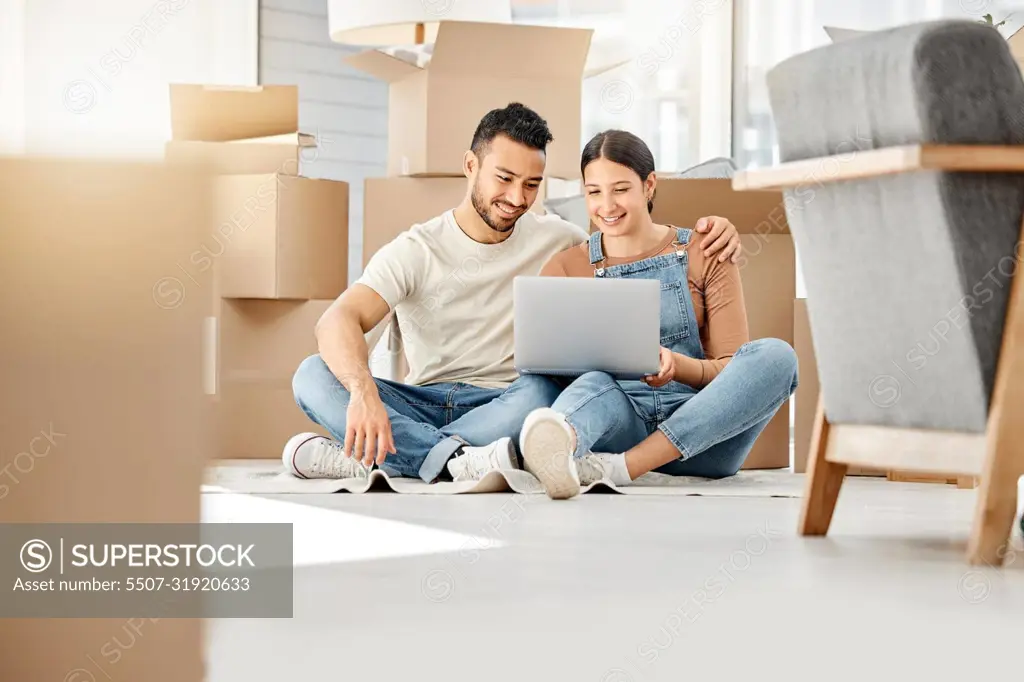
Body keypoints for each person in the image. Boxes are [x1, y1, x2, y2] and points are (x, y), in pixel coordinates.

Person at [282, 105, 743, 484]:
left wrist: (717, 230)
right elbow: (337, 321)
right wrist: (364, 394)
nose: (517, 198)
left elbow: (630, 231)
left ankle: (380, 457)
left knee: (544, 390)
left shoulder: (560, 240)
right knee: (311, 374)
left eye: (532, 184)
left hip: (512, 401)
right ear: (470, 166)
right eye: (504, 178)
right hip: (421, 398)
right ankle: (453, 459)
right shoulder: (415, 249)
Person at [520, 129, 798, 500]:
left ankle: (624, 469)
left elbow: (733, 367)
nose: (607, 205)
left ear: (649, 185)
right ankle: (559, 442)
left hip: (706, 439)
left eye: (620, 189)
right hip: (621, 425)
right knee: (593, 382)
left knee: (778, 356)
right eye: (594, 192)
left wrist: (678, 366)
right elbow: (546, 364)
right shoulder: (566, 266)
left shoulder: (706, 249)